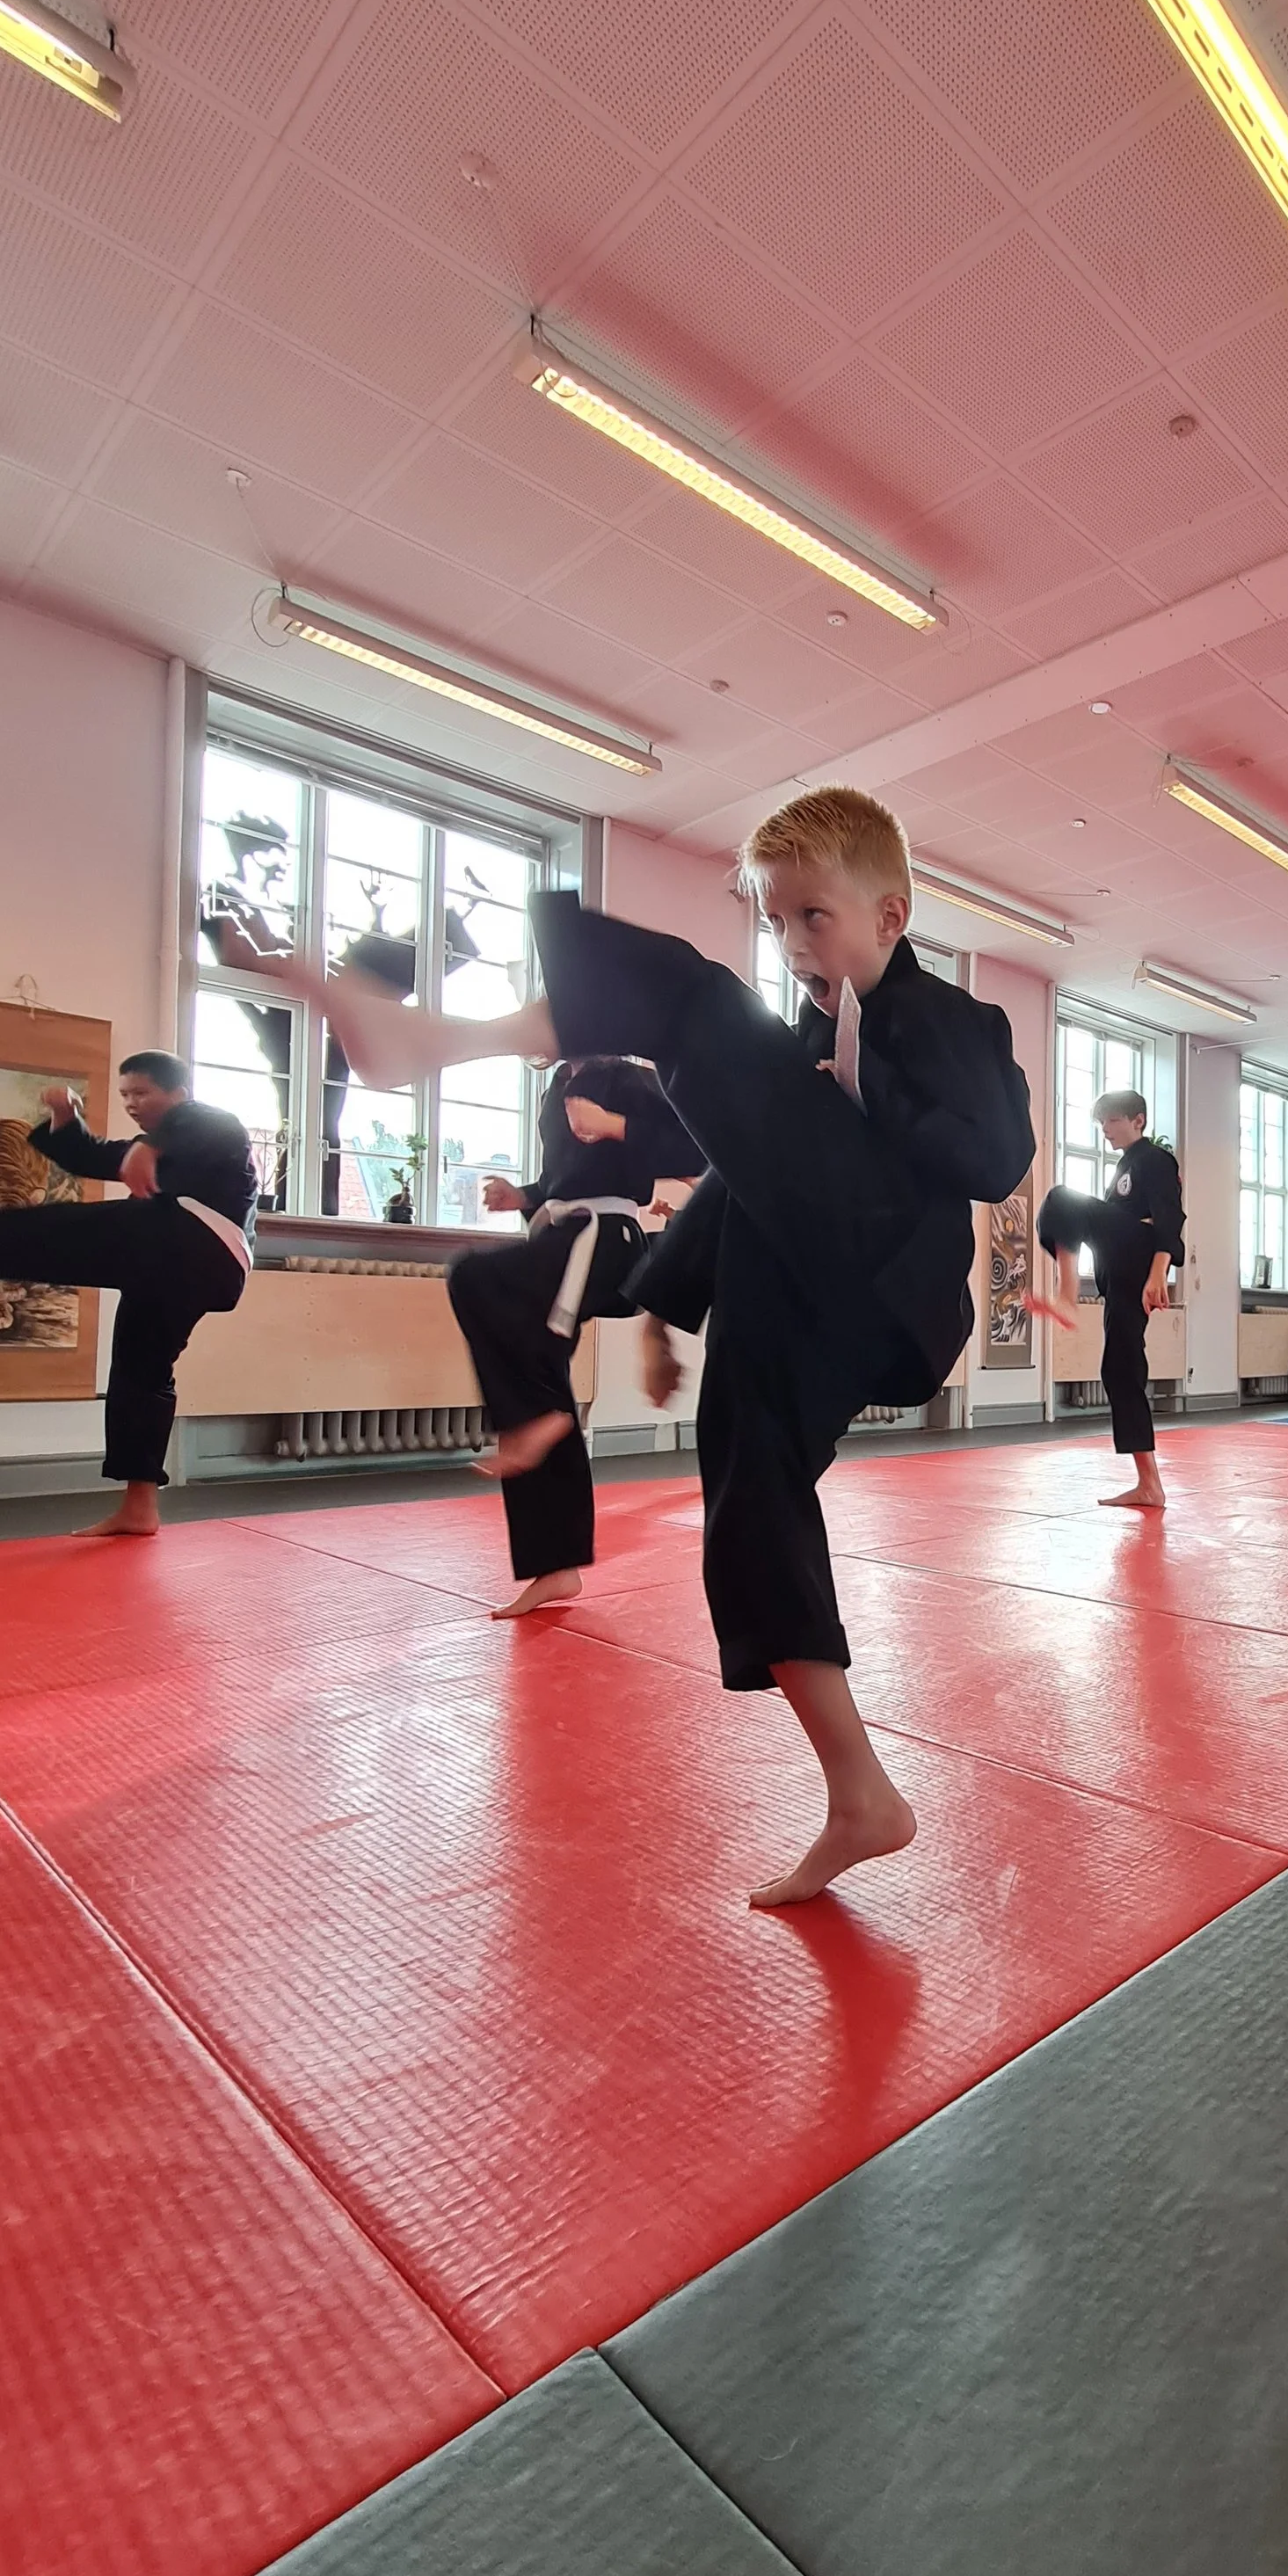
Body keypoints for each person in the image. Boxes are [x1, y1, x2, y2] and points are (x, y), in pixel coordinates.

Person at [224, 787, 1032, 1907]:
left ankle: (430, 1043)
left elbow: (995, 1156)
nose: (795, 944)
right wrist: (659, 1309)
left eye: (816, 917)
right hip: (794, 1285)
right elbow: (740, 1174)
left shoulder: (947, 1020)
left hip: (882, 1269)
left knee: (694, 1000)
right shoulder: (804, 1038)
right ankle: (860, 1792)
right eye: (779, 920)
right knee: (745, 1497)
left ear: (891, 915)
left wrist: (859, 1082)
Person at [0, 1052, 255, 1538]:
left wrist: (152, 1146)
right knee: (139, 1373)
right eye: (125, 1094)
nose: (131, 1103)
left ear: (178, 1091)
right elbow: (91, 1156)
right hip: (170, 1271)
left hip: (198, 1243)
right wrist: (66, 1120)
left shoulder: (212, 1126)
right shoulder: (154, 1144)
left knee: (52, 1230)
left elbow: (206, 1127)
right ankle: (139, 1508)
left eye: (142, 1093)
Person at [448, 1057, 701, 1619]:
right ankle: (554, 1565)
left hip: (606, 1240)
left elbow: (696, 1149)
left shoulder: (627, 1078)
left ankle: (532, 1420)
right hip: (561, 1232)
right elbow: (566, 1178)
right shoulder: (558, 1085)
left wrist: (616, 1125)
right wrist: (525, 1195)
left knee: (474, 1277)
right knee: (538, 1374)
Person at [1030, 1089, 1183, 1511]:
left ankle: (1066, 1297)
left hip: (1139, 1259)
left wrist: (1159, 1274)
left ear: (1138, 1120)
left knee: (1061, 1200)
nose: (1105, 1131)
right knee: (1119, 1368)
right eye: (1101, 1124)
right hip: (1120, 1269)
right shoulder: (1124, 1167)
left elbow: (1169, 1219)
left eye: (1112, 1122)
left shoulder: (1154, 1159)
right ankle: (1149, 1484)